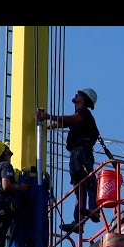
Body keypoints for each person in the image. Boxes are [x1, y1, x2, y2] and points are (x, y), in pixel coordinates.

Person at [37, 88, 100, 233]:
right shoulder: (78, 117)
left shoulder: (84, 113)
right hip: (76, 155)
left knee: (89, 181)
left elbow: (70, 120)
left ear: (83, 99)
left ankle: (94, 209)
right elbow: (65, 122)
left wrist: (48, 116)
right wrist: (46, 126)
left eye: (79, 94)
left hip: (83, 153)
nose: (76, 95)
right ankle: (78, 222)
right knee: (79, 188)